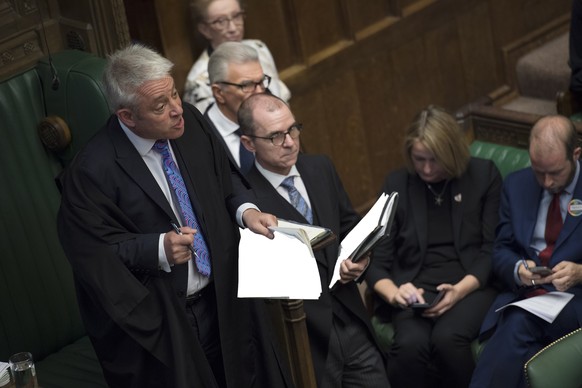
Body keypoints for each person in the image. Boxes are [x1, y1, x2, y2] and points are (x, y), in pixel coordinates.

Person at [57, 43, 292, 388]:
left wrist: (247, 211)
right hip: (167, 322)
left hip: (225, 298)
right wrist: (157, 249)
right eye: (160, 106)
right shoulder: (91, 172)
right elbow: (93, 255)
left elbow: (227, 179)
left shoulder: (192, 123)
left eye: (174, 95)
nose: (177, 110)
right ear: (127, 116)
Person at [238, 93, 390, 388]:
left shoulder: (319, 167)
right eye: (275, 136)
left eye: (293, 129)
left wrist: (361, 260)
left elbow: (348, 225)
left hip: (351, 317)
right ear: (248, 143)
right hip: (306, 339)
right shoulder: (248, 202)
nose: (290, 142)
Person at [365, 105, 501, 388]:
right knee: (410, 344)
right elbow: (377, 260)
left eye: (435, 160)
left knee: (448, 339)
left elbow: (491, 249)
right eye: (419, 159)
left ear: (452, 152)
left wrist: (459, 290)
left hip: (471, 284)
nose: (426, 169)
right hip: (414, 289)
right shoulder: (397, 183)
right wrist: (395, 294)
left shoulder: (483, 175)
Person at [470, 115, 582, 388]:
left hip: (574, 298)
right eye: (538, 171)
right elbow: (501, 249)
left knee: (518, 321)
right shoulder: (517, 184)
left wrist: (580, 272)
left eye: (555, 172)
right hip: (526, 293)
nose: (545, 182)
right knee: (529, 363)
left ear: (576, 155)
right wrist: (518, 270)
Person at [183, 0, 290, 113]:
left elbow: (281, 99)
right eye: (221, 21)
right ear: (205, 29)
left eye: (237, 16)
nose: (233, 28)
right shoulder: (198, 82)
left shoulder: (259, 48)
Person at [205, 41, 265, 173]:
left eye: (261, 82)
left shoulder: (274, 113)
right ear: (219, 93)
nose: (260, 92)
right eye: (247, 85)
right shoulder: (201, 141)